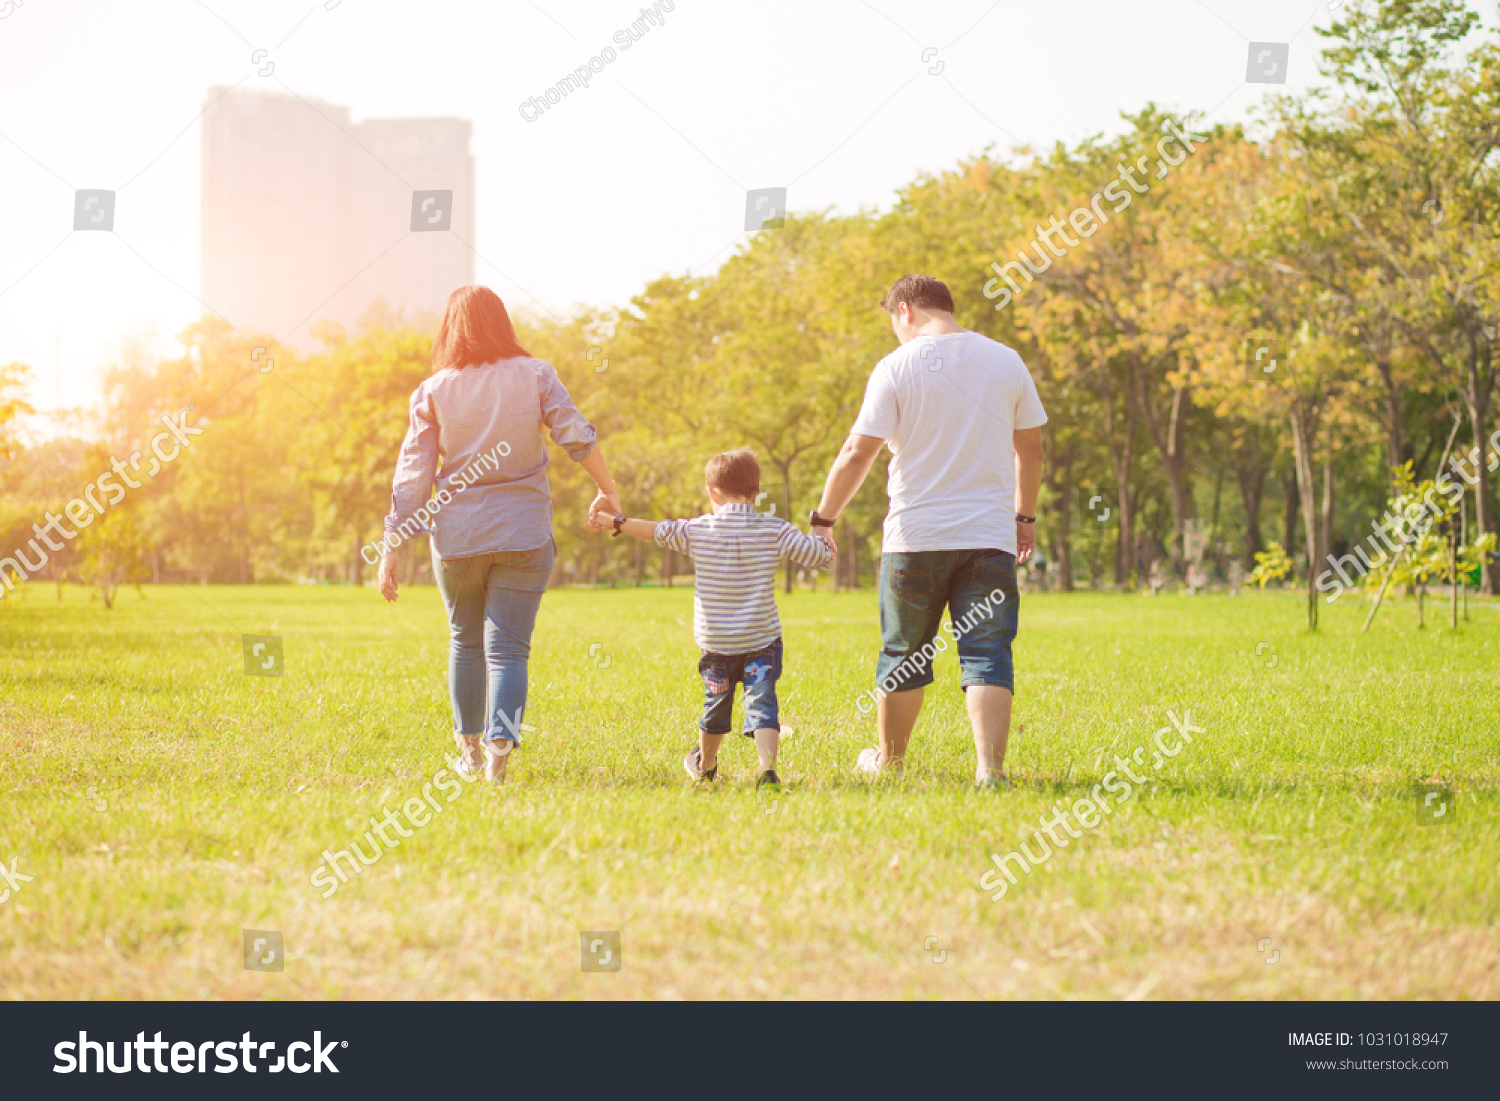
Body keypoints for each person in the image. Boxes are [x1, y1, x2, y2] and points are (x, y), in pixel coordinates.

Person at [810, 274, 1046, 788]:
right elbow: (1030, 449)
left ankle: (891, 764)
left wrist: (823, 519)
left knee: (904, 651)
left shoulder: (897, 366)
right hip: (988, 535)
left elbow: (857, 453)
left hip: (915, 538)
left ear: (905, 312)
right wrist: (1023, 517)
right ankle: (991, 772)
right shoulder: (1006, 360)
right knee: (987, 652)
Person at [378, 285, 620, 785]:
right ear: (502, 324)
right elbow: (575, 433)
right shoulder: (536, 374)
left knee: (466, 642)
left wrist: (391, 547)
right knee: (508, 650)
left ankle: (466, 754)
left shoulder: (432, 390)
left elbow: (412, 476)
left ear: (449, 330)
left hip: (459, 538)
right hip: (524, 532)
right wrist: (608, 490)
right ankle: (498, 759)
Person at [591, 448, 832, 789]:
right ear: (757, 492)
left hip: (717, 644)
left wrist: (614, 521)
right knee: (762, 698)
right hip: (761, 641)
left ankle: (706, 765)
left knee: (716, 701)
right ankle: (767, 769)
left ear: (711, 492)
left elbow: (656, 530)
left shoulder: (698, 530)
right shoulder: (774, 529)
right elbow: (818, 556)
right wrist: (822, 529)